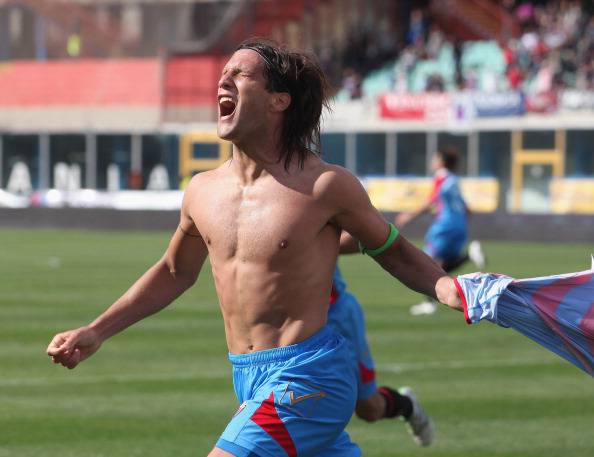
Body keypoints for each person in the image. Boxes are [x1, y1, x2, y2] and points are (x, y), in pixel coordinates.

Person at [46, 39, 463, 457]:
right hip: (248, 377)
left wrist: (446, 287)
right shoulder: (202, 191)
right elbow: (175, 271)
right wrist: (97, 330)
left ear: (278, 100)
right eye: (223, 73)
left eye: (240, 74)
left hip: (310, 373)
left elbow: (393, 250)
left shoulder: (325, 185)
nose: (223, 80)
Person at [327, 256, 433, 446]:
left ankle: (407, 405)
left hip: (333, 318)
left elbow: (356, 239)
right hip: (278, 325)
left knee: (369, 408)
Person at [396, 147, 486, 316]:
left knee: (425, 262)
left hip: (445, 225)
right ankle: (469, 256)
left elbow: (431, 201)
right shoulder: (454, 179)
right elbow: (465, 208)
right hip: (459, 225)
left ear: (441, 161)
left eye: (435, 158)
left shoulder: (441, 176)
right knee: (442, 265)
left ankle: (428, 303)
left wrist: (409, 216)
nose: (432, 161)